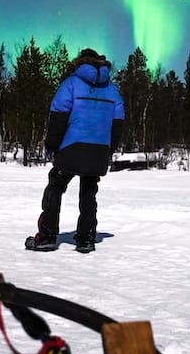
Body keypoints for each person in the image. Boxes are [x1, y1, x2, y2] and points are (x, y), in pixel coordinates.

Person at [25, 48, 124, 254]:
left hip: (72, 146)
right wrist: (109, 150)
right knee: (89, 191)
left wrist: (52, 145)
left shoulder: (71, 83)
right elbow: (117, 123)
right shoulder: (112, 90)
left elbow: (58, 116)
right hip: (98, 150)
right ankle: (86, 239)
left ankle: (47, 236)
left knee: (55, 186)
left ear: (80, 63)